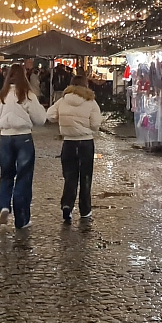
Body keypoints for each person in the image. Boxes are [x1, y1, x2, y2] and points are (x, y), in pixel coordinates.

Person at [0, 64, 46, 229]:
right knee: (24, 177)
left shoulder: (1, 95)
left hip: (5, 138)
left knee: (6, 175)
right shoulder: (27, 95)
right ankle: (22, 219)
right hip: (23, 137)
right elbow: (40, 119)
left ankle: (3, 206)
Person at [47, 75, 101, 223]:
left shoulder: (62, 101)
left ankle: (67, 205)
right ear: (86, 85)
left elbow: (50, 115)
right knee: (86, 178)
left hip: (68, 143)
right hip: (85, 143)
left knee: (70, 176)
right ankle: (85, 210)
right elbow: (96, 124)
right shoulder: (91, 102)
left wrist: (64, 121)